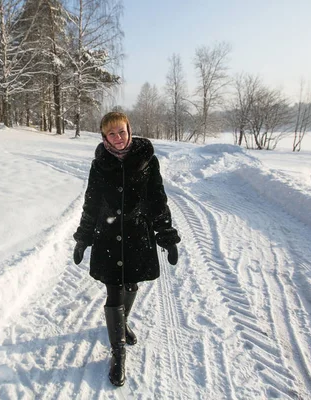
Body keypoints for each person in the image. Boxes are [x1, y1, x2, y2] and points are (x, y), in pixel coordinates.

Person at [73, 111, 181, 387]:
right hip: (108, 236)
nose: (118, 138)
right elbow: (91, 203)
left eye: (121, 131)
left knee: (131, 286)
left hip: (136, 235)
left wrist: (166, 236)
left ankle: (122, 324)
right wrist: (83, 238)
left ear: (129, 130)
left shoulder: (147, 161)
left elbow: (158, 200)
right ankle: (118, 353)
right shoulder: (100, 165)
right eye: (111, 134)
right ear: (104, 137)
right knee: (113, 291)